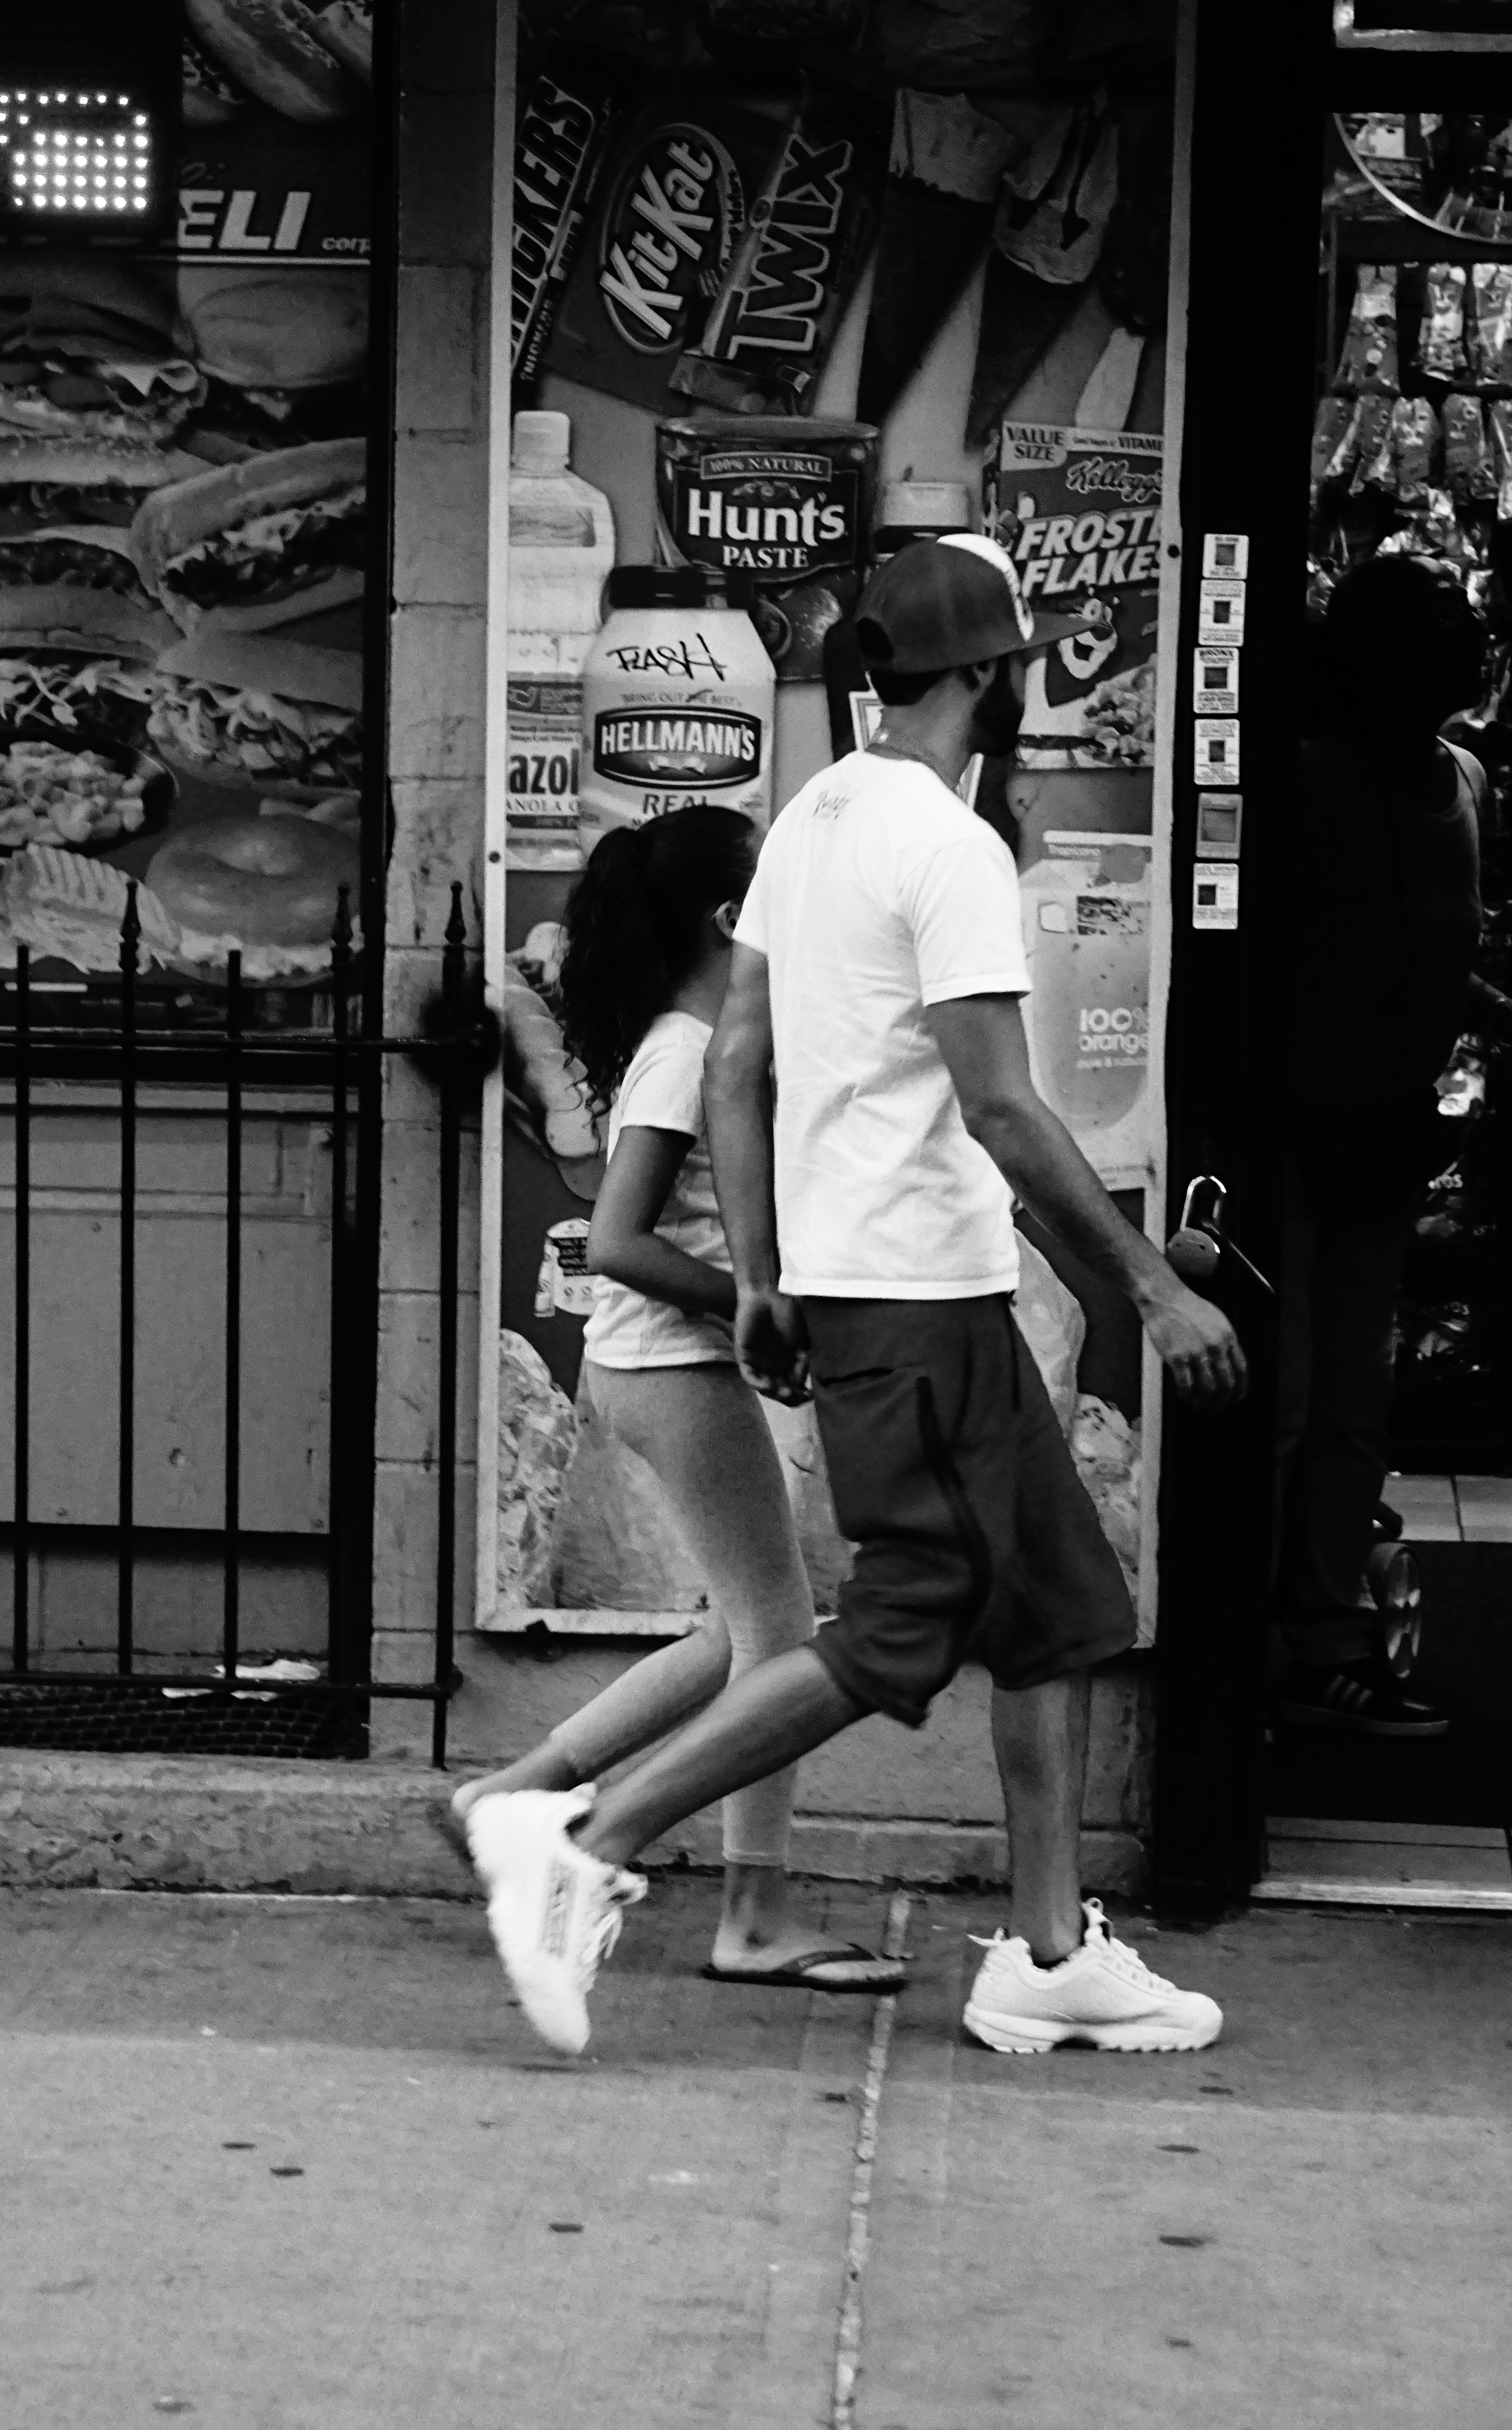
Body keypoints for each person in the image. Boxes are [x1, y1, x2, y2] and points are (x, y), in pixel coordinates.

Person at [468, 535, 1248, 2059]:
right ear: (986, 681)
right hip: (920, 1296)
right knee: (904, 1625)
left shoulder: (815, 814)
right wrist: (1150, 1289)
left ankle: (1044, 1950)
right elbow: (1006, 1104)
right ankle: (583, 1839)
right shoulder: (947, 846)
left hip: (873, 1284)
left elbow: (744, 1059)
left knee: (1061, 1610)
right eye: (1013, 673)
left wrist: (762, 1273)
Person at [449, 808, 903, 1991]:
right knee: (782, 1643)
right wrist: (754, 1300)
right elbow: (616, 1237)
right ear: (730, 915)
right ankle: (750, 1915)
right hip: (670, 1365)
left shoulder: (704, 1038)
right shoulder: (686, 1049)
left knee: (732, 1631)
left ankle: (511, 1793)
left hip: (668, 1363)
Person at [1267, 555, 1512, 1736]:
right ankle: (1239, 1647)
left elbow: (1434, 963)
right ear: (1364, 663)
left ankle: (1327, 1643)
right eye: (1420, 647)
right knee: (1280, 1405)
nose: (1450, 667)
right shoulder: (1301, 782)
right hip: (1286, 1136)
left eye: (1458, 646)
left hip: (1381, 1136)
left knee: (1350, 1411)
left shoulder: (1467, 784)